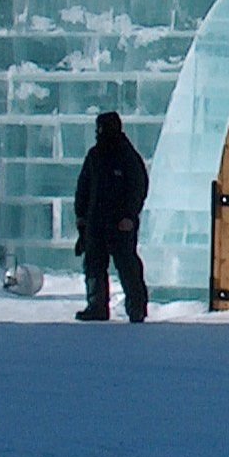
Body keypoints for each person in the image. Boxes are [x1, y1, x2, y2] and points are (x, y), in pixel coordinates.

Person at [73, 110, 150, 323]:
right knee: (94, 264)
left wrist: (129, 216)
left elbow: (138, 187)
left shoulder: (127, 156)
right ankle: (96, 306)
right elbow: (84, 187)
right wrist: (81, 216)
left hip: (120, 223)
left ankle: (137, 307)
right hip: (96, 222)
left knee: (127, 265)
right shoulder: (95, 156)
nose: (99, 132)